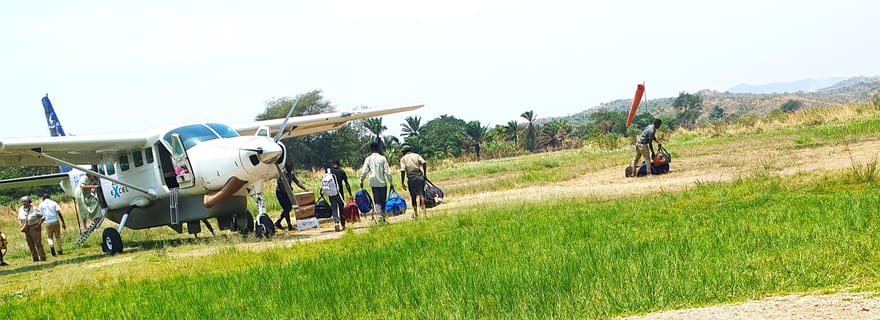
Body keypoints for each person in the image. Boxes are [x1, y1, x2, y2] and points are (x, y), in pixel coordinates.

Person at [360, 141, 393, 219]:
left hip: (373, 182)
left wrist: (361, 180)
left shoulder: (368, 159)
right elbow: (387, 172)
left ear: (370, 149)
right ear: (378, 148)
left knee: (377, 200)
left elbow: (364, 171)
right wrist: (391, 182)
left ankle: (379, 215)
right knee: (383, 200)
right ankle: (383, 215)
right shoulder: (383, 158)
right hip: (382, 182)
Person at [274, 162, 308, 231]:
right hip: (281, 193)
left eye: (291, 168)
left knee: (288, 208)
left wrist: (304, 188)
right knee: (287, 208)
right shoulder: (282, 174)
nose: (291, 169)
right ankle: (288, 225)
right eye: (290, 168)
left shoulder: (291, 174)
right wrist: (288, 191)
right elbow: (280, 185)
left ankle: (279, 222)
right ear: (286, 168)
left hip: (287, 193)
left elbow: (297, 182)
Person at [399, 145, 427, 218]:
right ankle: (424, 213)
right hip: (420, 177)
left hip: (411, 179)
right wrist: (425, 174)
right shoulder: (417, 155)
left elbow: (402, 170)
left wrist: (402, 182)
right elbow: (424, 163)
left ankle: (416, 214)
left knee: (413, 196)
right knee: (422, 194)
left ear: (404, 152)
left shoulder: (403, 159)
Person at [326, 160, 353, 231]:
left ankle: (336, 223)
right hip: (340, 193)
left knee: (334, 208)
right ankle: (343, 225)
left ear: (332, 164)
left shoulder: (329, 172)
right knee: (341, 209)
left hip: (331, 193)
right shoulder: (341, 172)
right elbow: (347, 183)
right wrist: (350, 194)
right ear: (339, 164)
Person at [18, 196, 46, 262]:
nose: (23, 203)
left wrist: (38, 225)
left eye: (25, 201)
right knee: (30, 243)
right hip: (26, 228)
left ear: (29, 202)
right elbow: (19, 218)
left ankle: (42, 257)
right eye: (22, 201)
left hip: (34, 227)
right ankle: (35, 258)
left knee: (37, 243)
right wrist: (21, 225)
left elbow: (42, 217)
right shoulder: (21, 209)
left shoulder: (34, 208)